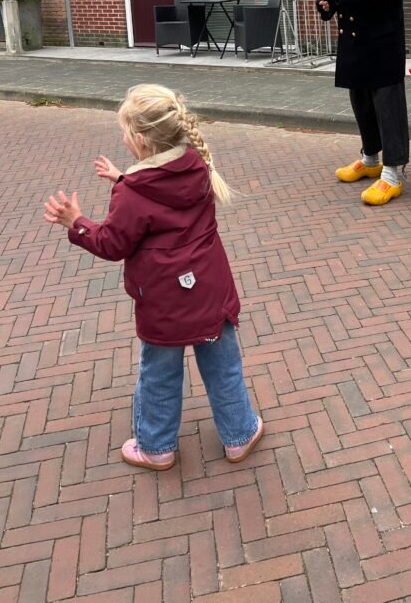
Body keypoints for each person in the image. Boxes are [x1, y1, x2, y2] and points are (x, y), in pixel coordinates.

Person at [43, 83, 263, 471]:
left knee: (159, 374)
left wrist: (76, 223)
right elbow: (164, 200)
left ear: (141, 142)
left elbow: (112, 243)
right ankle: (240, 435)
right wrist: (122, 179)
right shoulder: (197, 163)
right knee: (224, 367)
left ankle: (156, 447)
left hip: (164, 303)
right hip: (211, 291)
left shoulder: (134, 193)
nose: (123, 138)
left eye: (126, 132)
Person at [314, 0, 409, 206]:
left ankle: (394, 171)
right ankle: (371, 159)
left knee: (387, 104)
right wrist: (327, 4)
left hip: (382, 35)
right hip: (352, 34)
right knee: (361, 101)